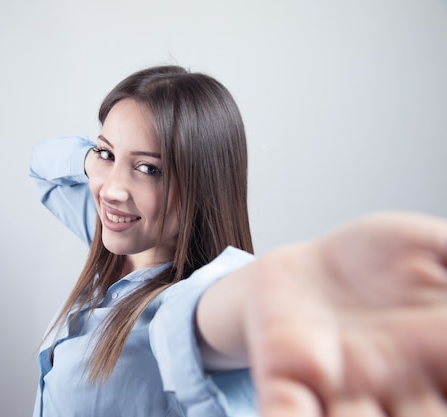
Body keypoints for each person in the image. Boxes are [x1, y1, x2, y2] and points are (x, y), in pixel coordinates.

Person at [29, 65, 447, 417]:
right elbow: (43, 164)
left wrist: (293, 289)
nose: (112, 190)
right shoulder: (117, 235)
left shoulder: (180, 300)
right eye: (106, 153)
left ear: (201, 184)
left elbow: (211, 314)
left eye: (150, 169)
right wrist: (98, 161)